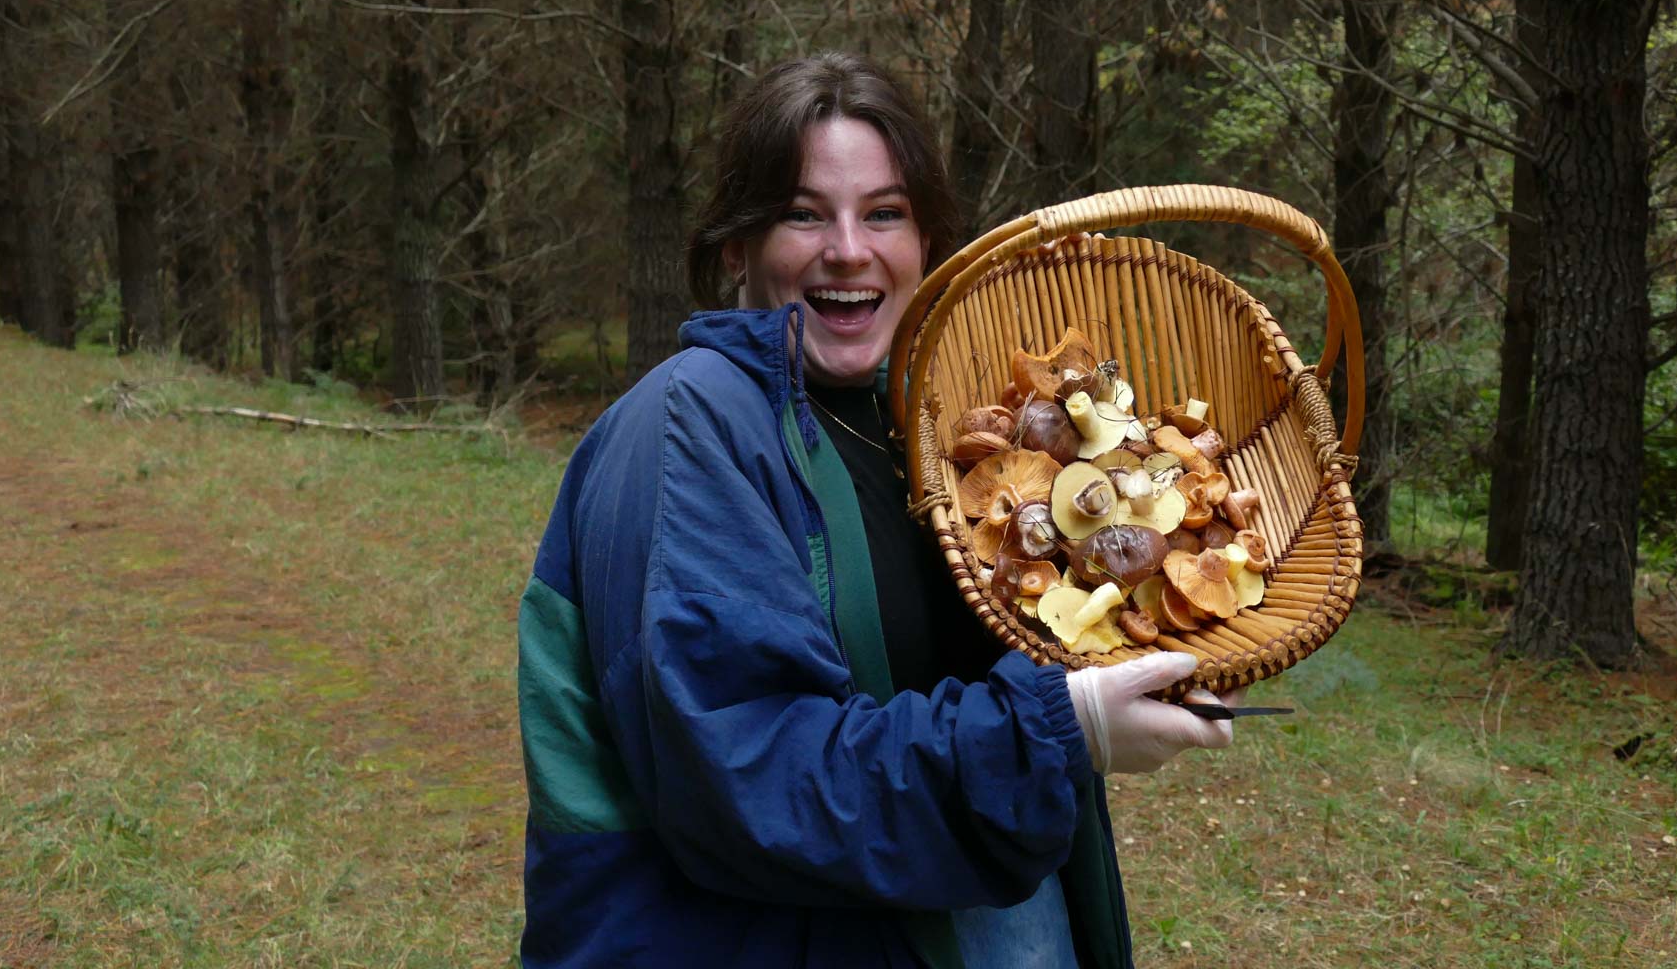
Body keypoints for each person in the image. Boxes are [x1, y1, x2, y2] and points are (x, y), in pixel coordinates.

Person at [517, 52, 1234, 968]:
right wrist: (1062, 730)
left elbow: (1014, 646)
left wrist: (1146, 641)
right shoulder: (687, 428)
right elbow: (749, 777)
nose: (849, 249)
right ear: (737, 248)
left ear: (927, 244)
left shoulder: (935, 434)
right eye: (802, 213)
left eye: (885, 213)